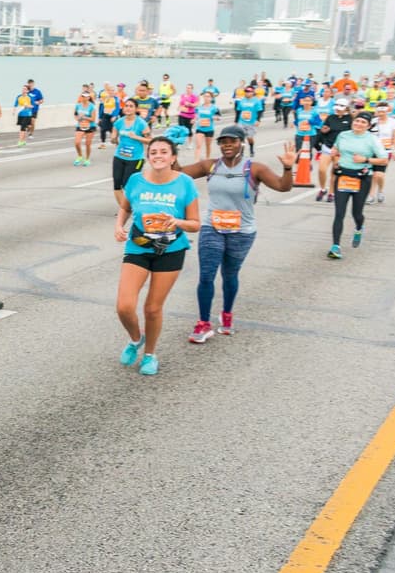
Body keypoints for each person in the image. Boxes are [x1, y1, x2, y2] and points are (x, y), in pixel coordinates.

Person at [180, 127, 294, 343]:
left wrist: (288, 167)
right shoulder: (211, 165)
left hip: (241, 231)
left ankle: (227, 315)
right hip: (211, 227)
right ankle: (204, 323)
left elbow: (283, 187)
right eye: (223, 142)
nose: (227, 145)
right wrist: (172, 150)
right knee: (206, 275)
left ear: (242, 143)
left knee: (230, 275)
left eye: (232, 141)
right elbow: (178, 173)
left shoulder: (254, 168)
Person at [114, 136, 201, 376]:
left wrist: (178, 221)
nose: (158, 155)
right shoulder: (136, 180)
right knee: (124, 306)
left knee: (152, 308)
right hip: (138, 246)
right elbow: (126, 206)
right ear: (148, 157)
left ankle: (150, 354)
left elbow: (196, 224)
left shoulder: (185, 183)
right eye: (153, 152)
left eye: (164, 151)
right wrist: (119, 225)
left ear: (173, 157)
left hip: (170, 250)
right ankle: (136, 339)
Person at [326, 112, 388, 259]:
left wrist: (365, 159)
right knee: (339, 213)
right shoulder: (343, 135)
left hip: (362, 178)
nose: (359, 124)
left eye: (363, 122)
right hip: (343, 176)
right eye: (357, 120)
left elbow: (384, 160)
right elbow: (336, 150)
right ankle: (336, 246)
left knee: (356, 213)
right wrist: (334, 155)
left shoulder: (372, 140)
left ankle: (359, 228)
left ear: (368, 126)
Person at [112, 98, 152, 207]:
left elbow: (150, 141)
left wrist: (136, 137)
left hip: (135, 159)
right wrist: (114, 139)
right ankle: (124, 209)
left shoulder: (141, 123)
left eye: (131, 106)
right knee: (117, 185)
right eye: (126, 106)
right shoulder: (119, 122)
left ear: (136, 109)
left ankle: (141, 201)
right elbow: (114, 134)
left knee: (127, 185)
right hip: (119, 156)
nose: (128, 108)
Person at [316, 99, 353, 202]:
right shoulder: (331, 117)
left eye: (340, 107)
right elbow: (323, 130)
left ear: (346, 108)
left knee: (335, 172)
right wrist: (323, 132)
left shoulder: (350, 119)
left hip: (341, 150)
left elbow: (352, 135)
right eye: (336, 107)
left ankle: (331, 192)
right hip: (328, 147)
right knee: (321, 169)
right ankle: (323, 189)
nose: (337, 109)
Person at [368, 102, 395, 204]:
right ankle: (371, 195)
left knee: (379, 174)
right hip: (373, 150)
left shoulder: (392, 122)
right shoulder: (373, 121)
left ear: (387, 110)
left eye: (382, 111)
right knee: (373, 174)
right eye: (379, 110)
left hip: (386, 151)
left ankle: (380, 191)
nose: (380, 112)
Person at [234, 86, 264, 157]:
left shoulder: (256, 101)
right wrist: (236, 121)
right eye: (246, 91)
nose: (247, 93)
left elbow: (260, 111)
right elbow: (238, 111)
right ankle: (241, 152)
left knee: (249, 138)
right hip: (242, 121)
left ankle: (251, 148)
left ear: (252, 92)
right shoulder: (242, 100)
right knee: (241, 137)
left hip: (251, 122)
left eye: (249, 92)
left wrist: (258, 120)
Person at [192, 92, 221, 162]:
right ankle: (196, 161)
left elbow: (219, 117)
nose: (206, 98)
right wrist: (194, 120)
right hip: (200, 128)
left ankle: (207, 159)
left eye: (208, 96)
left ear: (211, 98)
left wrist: (215, 117)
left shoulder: (215, 108)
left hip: (209, 129)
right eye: (205, 96)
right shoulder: (199, 107)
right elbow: (196, 116)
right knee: (198, 145)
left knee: (208, 146)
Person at [292, 94, 321, 160]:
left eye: (309, 101)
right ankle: (299, 167)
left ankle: (307, 166)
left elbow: (318, 122)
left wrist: (309, 121)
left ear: (311, 102)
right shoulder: (299, 110)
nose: (307, 102)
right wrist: (294, 123)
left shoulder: (315, 111)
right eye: (305, 101)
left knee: (307, 152)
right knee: (298, 151)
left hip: (310, 135)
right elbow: (297, 121)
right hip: (299, 134)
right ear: (303, 102)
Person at [73, 92, 98, 166]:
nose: (84, 98)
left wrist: (84, 117)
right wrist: (78, 119)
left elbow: (93, 119)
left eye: (86, 97)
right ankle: (80, 156)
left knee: (87, 144)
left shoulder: (92, 106)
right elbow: (75, 115)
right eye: (83, 96)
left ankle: (87, 159)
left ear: (89, 97)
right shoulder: (78, 105)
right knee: (77, 142)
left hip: (90, 126)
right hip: (80, 126)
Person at [97, 84, 120, 150]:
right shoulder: (105, 98)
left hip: (112, 117)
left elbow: (117, 108)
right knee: (102, 129)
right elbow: (101, 108)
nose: (111, 92)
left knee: (112, 131)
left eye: (113, 90)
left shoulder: (116, 99)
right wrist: (99, 117)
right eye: (110, 90)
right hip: (105, 116)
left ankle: (117, 143)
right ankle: (103, 143)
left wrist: (114, 116)